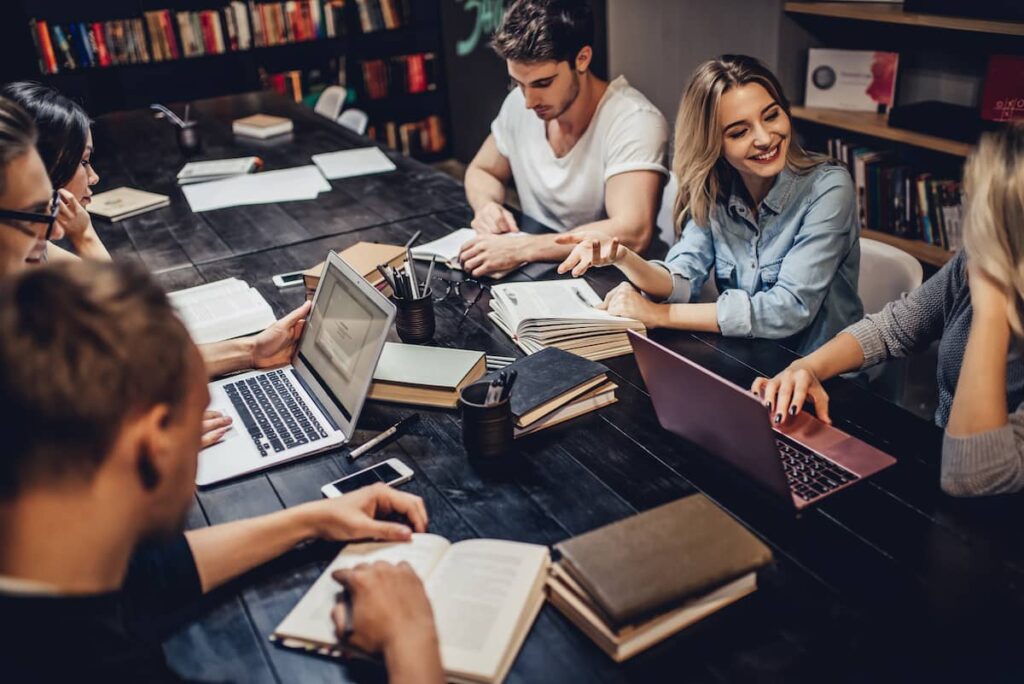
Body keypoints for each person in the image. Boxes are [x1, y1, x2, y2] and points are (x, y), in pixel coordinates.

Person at [0, 259, 444, 683]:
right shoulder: (100, 670)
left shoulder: (49, 571)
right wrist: (411, 638)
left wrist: (312, 520)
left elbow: (145, 575)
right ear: (155, 444)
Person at [0, 94, 308, 447]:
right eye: (40, 207)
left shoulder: (29, 258)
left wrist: (252, 351)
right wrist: (137, 442)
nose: (55, 230)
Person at [752, 123, 1024, 497]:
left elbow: (976, 475)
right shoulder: (978, 262)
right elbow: (894, 328)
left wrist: (991, 308)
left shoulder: (988, 281)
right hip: (937, 466)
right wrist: (807, 367)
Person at [557, 54, 863, 355]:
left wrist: (657, 314)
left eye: (771, 116)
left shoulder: (829, 187)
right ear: (712, 142)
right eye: (739, 132)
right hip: (746, 361)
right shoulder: (715, 188)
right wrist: (623, 257)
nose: (764, 138)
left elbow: (789, 309)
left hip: (819, 375)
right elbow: (683, 278)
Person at [459, 0, 669, 277]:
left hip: (614, 279)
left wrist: (522, 248)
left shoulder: (634, 120)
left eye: (543, 83)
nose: (529, 102)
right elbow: (483, 171)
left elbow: (633, 232)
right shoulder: (519, 104)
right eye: (518, 83)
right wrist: (487, 206)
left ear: (582, 59)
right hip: (544, 269)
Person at [1, 81, 110, 262]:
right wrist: (85, 236)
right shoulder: (20, 243)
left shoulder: (27, 237)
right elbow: (111, 280)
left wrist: (83, 231)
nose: (94, 177)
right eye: (83, 161)